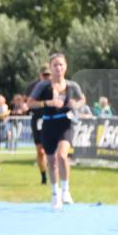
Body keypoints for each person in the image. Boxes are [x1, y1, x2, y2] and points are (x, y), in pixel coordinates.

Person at [28, 53, 86, 210]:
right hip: (48, 124)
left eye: (61, 65)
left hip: (65, 123)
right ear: (50, 67)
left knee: (61, 155)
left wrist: (76, 104)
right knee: (51, 160)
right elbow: (30, 103)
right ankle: (55, 194)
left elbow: (82, 100)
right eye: (55, 65)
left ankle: (66, 190)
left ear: (66, 67)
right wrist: (48, 102)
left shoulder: (72, 85)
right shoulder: (43, 86)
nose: (58, 68)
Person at [25, 66, 51, 183]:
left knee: (52, 150)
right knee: (40, 151)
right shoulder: (33, 87)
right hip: (38, 120)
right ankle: (44, 176)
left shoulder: (56, 86)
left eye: (48, 75)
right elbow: (28, 102)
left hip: (52, 119)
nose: (46, 77)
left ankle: (54, 176)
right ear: (40, 75)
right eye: (44, 75)